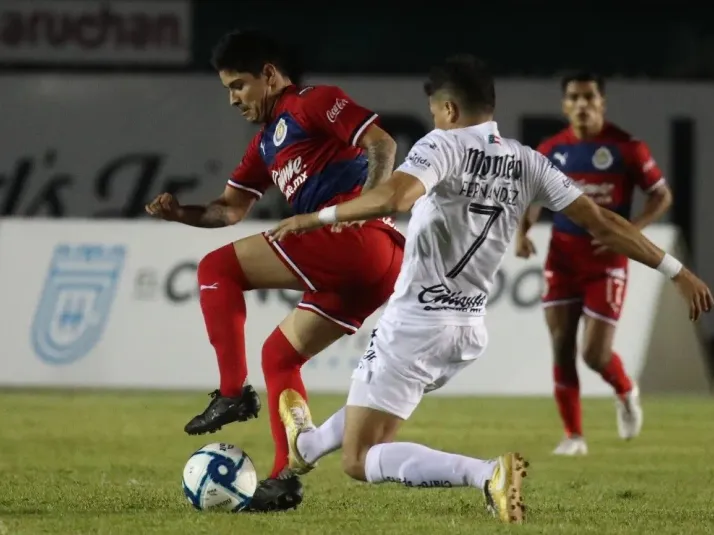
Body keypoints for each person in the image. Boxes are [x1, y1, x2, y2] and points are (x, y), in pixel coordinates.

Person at [266, 55, 712, 524]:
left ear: (450, 111)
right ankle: (308, 445)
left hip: (417, 322)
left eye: (437, 111)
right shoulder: (528, 160)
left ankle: (485, 473)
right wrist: (677, 270)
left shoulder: (442, 145)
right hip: (465, 330)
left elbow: (395, 197)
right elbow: (604, 223)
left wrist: (316, 217)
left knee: (360, 458)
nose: (436, 120)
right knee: (372, 409)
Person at [145, 29, 404, 512]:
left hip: (355, 239)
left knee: (216, 268)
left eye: (238, 85)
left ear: (268, 74)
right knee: (280, 355)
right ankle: (284, 478)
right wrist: (180, 213)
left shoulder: (311, 102)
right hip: (378, 266)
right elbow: (228, 211)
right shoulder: (265, 145)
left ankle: (231, 394)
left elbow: (383, 145)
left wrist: (365, 209)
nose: (232, 99)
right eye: (227, 89)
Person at [514, 72, 673, 456]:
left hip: (607, 261)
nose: (582, 104)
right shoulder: (551, 149)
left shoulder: (627, 149)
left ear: (602, 102)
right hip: (563, 259)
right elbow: (532, 197)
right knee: (561, 345)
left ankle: (625, 390)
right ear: (565, 105)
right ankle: (573, 437)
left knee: (595, 354)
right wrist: (523, 232)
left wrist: (629, 231)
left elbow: (661, 196)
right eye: (574, 97)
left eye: (589, 97)